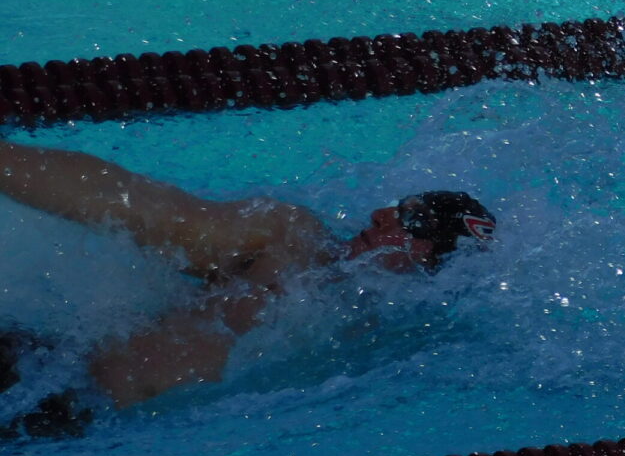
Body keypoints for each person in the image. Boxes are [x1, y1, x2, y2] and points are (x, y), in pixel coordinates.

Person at [0, 136, 494, 434]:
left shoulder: (397, 347)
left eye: (412, 221)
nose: (382, 216)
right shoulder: (292, 241)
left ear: (434, 261)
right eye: (398, 206)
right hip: (37, 375)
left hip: (69, 425)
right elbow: (142, 207)